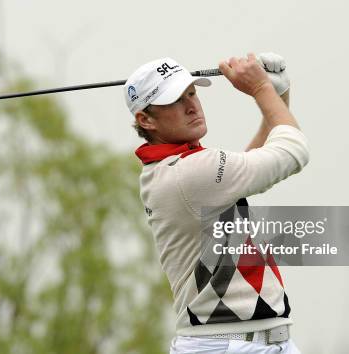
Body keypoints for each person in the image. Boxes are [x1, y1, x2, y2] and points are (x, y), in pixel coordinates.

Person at [123, 53, 309, 354]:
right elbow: (293, 151)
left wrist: (277, 94)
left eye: (192, 94)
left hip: (252, 341)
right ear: (145, 120)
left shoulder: (180, 167)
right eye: (174, 101)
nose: (191, 106)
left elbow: (254, 162)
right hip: (225, 344)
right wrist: (262, 90)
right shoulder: (189, 171)